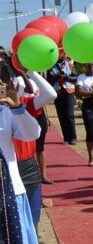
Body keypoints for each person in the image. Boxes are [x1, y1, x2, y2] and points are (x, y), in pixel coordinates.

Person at [0, 78, 45, 244]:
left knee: (21, 243)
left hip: (11, 193)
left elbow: (32, 133)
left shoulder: (6, 113)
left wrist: (16, 107)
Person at [10, 71, 56, 230]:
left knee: (32, 222)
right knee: (11, 225)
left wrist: (29, 71)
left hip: (28, 169)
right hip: (7, 169)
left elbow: (50, 94)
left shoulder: (23, 103)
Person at [49, 57, 77, 145]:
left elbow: (75, 78)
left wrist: (66, 77)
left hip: (69, 92)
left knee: (69, 115)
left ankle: (72, 137)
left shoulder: (70, 64)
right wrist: (57, 76)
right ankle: (66, 137)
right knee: (61, 116)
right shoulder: (50, 66)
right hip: (57, 93)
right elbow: (49, 81)